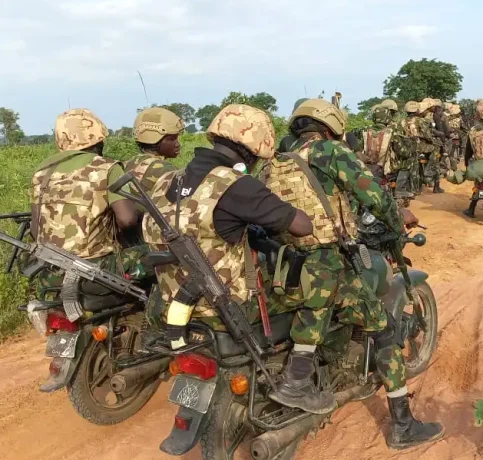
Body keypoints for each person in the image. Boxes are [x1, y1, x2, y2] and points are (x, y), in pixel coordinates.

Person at [262, 98, 444, 449]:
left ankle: (310, 367)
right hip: (329, 262)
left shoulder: (276, 163)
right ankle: (403, 427)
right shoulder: (330, 151)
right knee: (385, 330)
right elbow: (372, 195)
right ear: (330, 125)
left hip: (287, 267)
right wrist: (398, 216)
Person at [140, 105, 336, 413]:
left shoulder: (166, 182)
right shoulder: (235, 184)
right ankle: (298, 379)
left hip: (171, 303)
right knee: (325, 277)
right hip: (226, 305)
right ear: (255, 147)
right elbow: (302, 226)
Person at [30, 109, 144, 291]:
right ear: (98, 138)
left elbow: (35, 230)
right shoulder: (108, 167)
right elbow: (127, 220)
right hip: (95, 270)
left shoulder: (42, 172)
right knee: (156, 254)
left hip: (50, 270)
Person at [125, 107, 183, 196]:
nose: (177, 144)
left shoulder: (127, 163)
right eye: (172, 139)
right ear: (155, 140)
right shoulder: (167, 170)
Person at [419, 98, 446, 193]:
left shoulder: (417, 117)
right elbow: (440, 130)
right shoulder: (434, 116)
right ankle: (436, 186)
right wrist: (443, 140)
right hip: (431, 144)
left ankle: (419, 185)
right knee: (436, 163)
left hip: (419, 145)